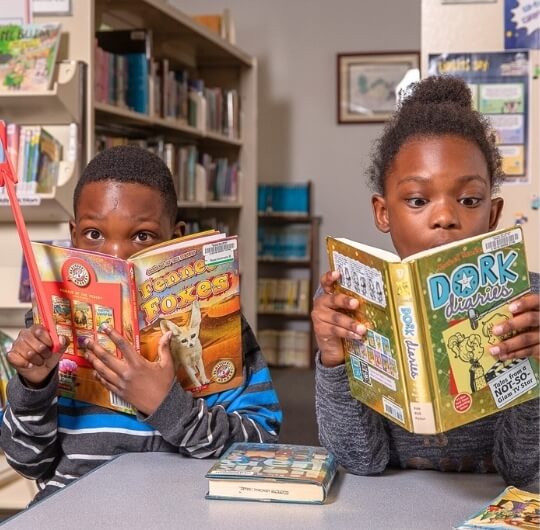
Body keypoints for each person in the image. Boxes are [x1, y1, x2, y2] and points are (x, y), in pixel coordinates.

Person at [0, 146, 282, 503]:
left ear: (176, 236)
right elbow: (28, 462)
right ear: (73, 234)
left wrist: (167, 404)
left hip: (182, 511)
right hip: (74, 511)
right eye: (94, 234)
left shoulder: (218, 326)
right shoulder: (50, 329)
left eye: (142, 236)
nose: (116, 255)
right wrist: (32, 388)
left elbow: (261, 448)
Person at [312, 76, 539, 487]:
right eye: (418, 200)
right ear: (383, 213)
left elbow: (523, 470)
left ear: (493, 213)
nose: (444, 217)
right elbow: (357, 460)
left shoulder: (531, 304)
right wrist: (333, 357)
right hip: (390, 504)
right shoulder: (346, 301)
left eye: (469, 200)